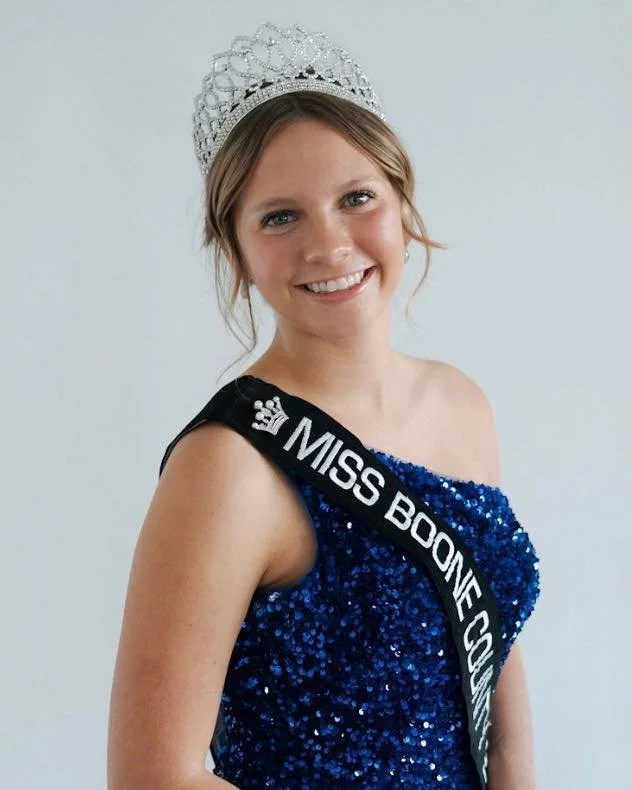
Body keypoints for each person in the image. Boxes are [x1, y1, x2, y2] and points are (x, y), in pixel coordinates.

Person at [107, 22, 541, 790]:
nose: (329, 243)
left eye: (357, 197)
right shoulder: (227, 466)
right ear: (236, 249)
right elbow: (151, 776)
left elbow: (489, 656)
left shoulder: (461, 403)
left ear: (402, 201)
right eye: (280, 216)